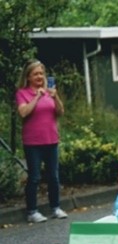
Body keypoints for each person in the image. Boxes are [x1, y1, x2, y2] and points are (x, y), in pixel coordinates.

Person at [16, 59, 67, 223]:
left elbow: (60, 112)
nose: (39, 76)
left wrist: (56, 96)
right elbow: (23, 112)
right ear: (28, 76)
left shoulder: (49, 91)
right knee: (35, 177)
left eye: (41, 73)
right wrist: (37, 97)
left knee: (53, 176)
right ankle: (32, 211)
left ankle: (56, 207)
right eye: (35, 74)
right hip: (33, 142)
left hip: (51, 139)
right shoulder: (22, 93)